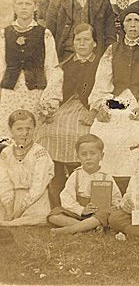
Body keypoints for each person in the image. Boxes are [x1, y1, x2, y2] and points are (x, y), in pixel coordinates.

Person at [88, 5, 139, 193]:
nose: (132, 25)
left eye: (137, 20)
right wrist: (101, 106)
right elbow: (103, 80)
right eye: (128, 20)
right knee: (103, 131)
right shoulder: (112, 49)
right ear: (122, 24)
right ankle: (108, 191)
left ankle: (134, 191)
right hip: (116, 100)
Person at [37, 23, 100, 207]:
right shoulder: (64, 66)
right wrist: (48, 109)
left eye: (86, 40)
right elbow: (54, 90)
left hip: (87, 108)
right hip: (66, 107)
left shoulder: (101, 64)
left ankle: (78, 189)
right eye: (78, 40)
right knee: (46, 131)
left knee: (79, 133)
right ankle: (56, 195)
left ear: (94, 43)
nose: (81, 44)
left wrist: (94, 110)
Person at [0, 0, 59, 138]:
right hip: (10, 92)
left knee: (32, 133)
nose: (24, 7)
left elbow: (52, 67)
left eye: (28, 3)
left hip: (35, 92)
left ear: (35, 7)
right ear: (14, 7)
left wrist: (50, 98)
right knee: (9, 132)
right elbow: (1, 66)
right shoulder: (4, 34)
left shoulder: (44, 34)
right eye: (20, 4)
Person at [48, 134, 122, 234]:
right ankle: (88, 227)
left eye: (93, 153)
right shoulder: (76, 175)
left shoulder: (106, 176)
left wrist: (115, 205)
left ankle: (70, 229)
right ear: (78, 157)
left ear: (101, 156)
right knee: (54, 215)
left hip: (98, 214)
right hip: (79, 212)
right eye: (84, 154)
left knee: (104, 215)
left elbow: (116, 197)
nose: (88, 158)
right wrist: (81, 210)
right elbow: (66, 197)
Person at [0, 110, 54, 226]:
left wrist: (21, 208)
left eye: (28, 129)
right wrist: (9, 206)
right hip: (11, 197)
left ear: (34, 129)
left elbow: (38, 185)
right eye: (19, 129)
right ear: (11, 130)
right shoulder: (6, 153)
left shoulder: (39, 153)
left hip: (34, 199)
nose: (24, 133)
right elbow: (4, 182)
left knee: (35, 217)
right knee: (4, 214)